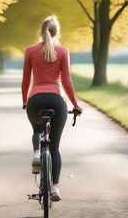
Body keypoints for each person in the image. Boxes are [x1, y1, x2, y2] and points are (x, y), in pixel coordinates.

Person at [21, 15, 83, 202]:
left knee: (37, 130)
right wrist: (75, 104)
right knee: (54, 147)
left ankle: (36, 154)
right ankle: (55, 188)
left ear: (41, 31)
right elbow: (67, 82)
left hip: (36, 99)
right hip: (57, 100)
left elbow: (25, 81)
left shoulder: (30, 51)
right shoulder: (63, 51)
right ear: (57, 32)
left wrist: (25, 101)